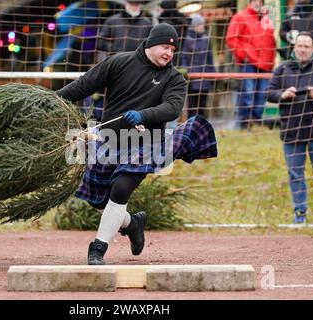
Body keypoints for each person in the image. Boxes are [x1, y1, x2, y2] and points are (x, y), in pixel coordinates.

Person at [57, 23, 217, 265]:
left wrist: (143, 115)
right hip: (109, 140)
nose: (169, 54)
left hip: (147, 143)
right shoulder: (118, 62)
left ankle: (98, 248)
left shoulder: (174, 78)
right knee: (96, 199)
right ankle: (133, 224)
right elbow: (83, 86)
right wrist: (51, 99)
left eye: (173, 51)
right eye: (165, 47)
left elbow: (172, 108)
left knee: (121, 188)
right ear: (151, 44)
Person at [267, 32, 313, 224]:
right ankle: (299, 214)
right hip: (291, 132)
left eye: (306, 46)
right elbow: (269, 93)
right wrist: (282, 95)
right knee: (295, 174)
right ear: (294, 48)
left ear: (312, 49)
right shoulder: (282, 69)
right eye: (299, 46)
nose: (302, 50)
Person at [92, 0, 152, 121]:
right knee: (112, 104)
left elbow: (151, 46)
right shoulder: (112, 21)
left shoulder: (147, 24)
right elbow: (101, 42)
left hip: (139, 71)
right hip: (116, 70)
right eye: (132, 3)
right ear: (125, 4)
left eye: (136, 4)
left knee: (136, 105)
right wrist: (116, 52)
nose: (134, 7)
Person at [225, 0, 276, 129]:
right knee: (248, 93)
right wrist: (244, 55)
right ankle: (244, 123)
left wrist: (271, 60)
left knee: (262, 95)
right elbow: (231, 38)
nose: (258, 3)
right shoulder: (240, 16)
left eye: (260, 1)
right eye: (255, 1)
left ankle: (256, 122)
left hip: (265, 64)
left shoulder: (266, 19)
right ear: (250, 2)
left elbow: (271, 41)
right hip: (249, 63)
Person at [180, 14, 215, 119]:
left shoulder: (206, 39)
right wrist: (187, 72)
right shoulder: (187, 39)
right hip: (193, 79)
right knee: (192, 106)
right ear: (194, 26)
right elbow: (184, 57)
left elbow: (210, 58)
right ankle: (191, 129)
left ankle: (202, 129)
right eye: (200, 24)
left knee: (203, 106)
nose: (202, 26)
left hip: (205, 78)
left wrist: (212, 73)